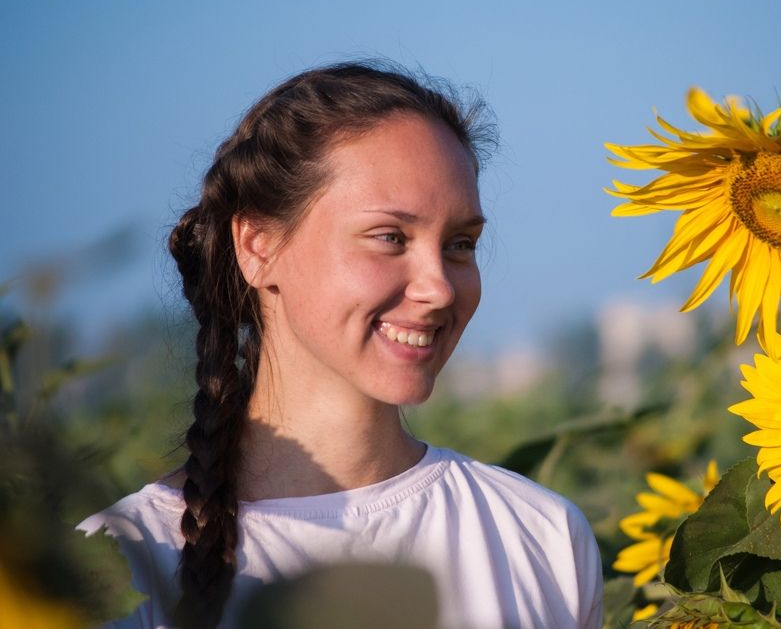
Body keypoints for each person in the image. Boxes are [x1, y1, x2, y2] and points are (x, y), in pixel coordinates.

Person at [78, 62, 604, 629]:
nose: (438, 288)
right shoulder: (118, 566)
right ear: (257, 245)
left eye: (460, 243)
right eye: (389, 237)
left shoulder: (542, 536)